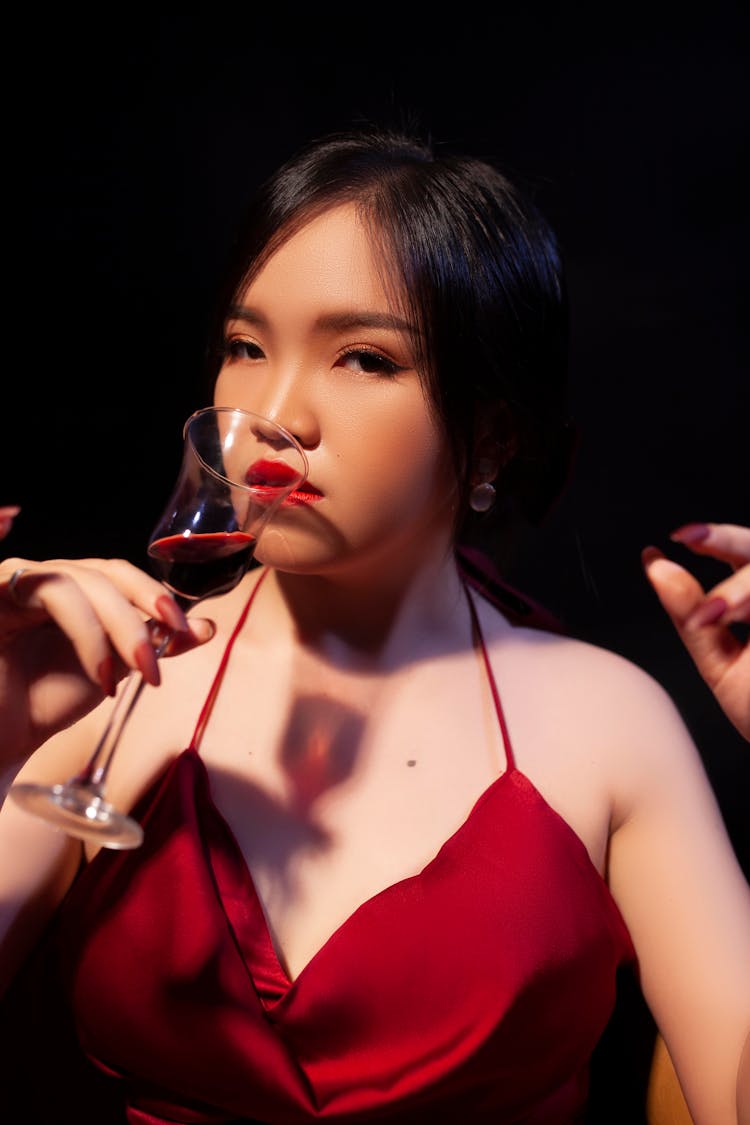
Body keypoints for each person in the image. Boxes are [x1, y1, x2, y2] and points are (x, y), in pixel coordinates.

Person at [0, 128, 748, 1124]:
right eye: (244, 347)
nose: (273, 412)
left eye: (361, 358)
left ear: (489, 435)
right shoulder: (109, 682)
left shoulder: (612, 725)